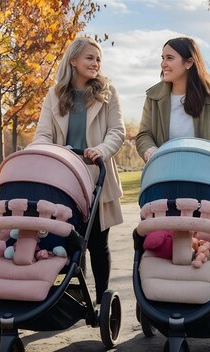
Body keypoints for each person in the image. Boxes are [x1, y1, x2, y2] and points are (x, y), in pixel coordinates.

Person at [30, 36, 125, 303]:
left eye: (98, 59)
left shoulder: (107, 92)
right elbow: (43, 134)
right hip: (65, 177)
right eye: (89, 58)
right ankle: (76, 297)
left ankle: (101, 298)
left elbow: (117, 131)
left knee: (97, 242)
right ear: (73, 60)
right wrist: (39, 153)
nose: (95, 63)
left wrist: (102, 150)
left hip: (97, 175)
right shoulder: (55, 94)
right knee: (71, 242)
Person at [136, 37, 210, 162]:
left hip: (204, 169)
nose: (163, 64)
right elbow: (144, 135)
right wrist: (150, 151)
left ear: (189, 62)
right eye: (163, 58)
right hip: (164, 170)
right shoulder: (153, 97)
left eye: (170, 58)